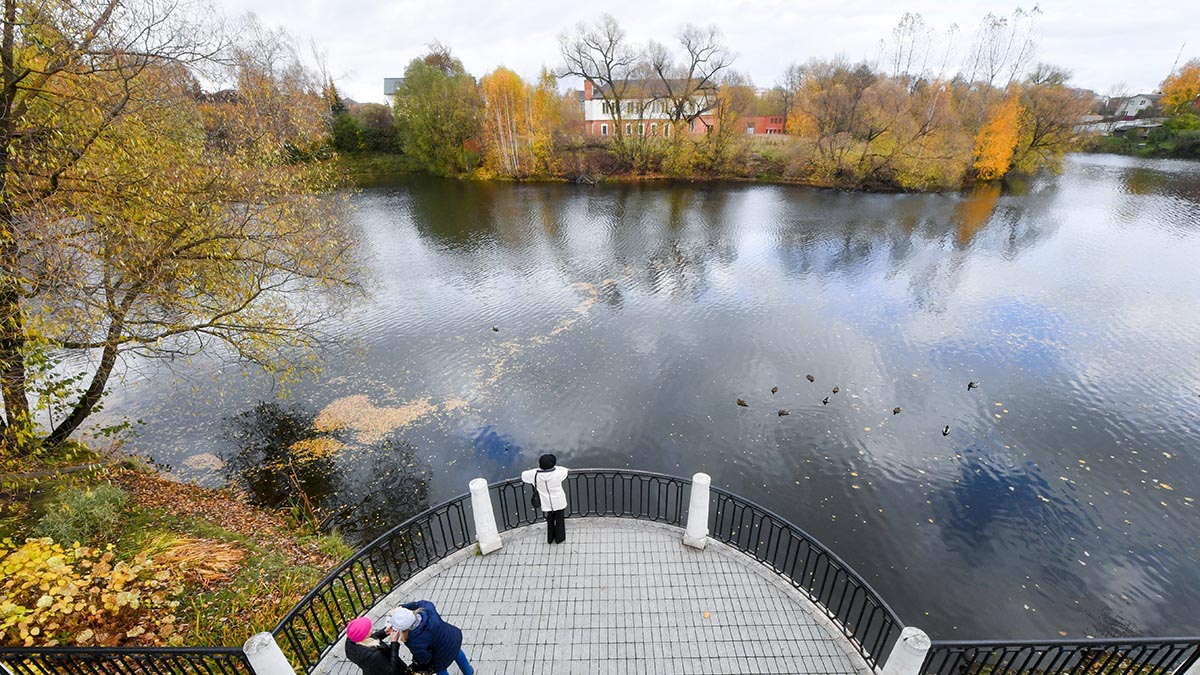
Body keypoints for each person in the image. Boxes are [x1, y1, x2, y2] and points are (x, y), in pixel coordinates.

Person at [391, 601, 473, 675]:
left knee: (441, 671)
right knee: (457, 653)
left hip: (440, 657)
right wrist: (402, 607)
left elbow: (425, 658)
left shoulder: (414, 642)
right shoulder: (428, 610)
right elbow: (418, 604)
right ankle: (468, 672)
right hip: (452, 638)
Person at [521, 453, 569, 544]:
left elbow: (523, 475)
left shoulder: (534, 474)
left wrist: (537, 470)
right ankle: (560, 538)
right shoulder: (558, 473)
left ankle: (550, 538)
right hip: (559, 500)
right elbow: (565, 470)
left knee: (549, 520)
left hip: (546, 502)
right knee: (560, 519)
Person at [343, 615, 411, 675]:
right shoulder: (374, 655)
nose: (371, 629)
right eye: (369, 630)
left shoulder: (351, 641)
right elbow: (391, 671)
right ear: (365, 635)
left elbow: (370, 638)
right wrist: (394, 643)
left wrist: (384, 632)